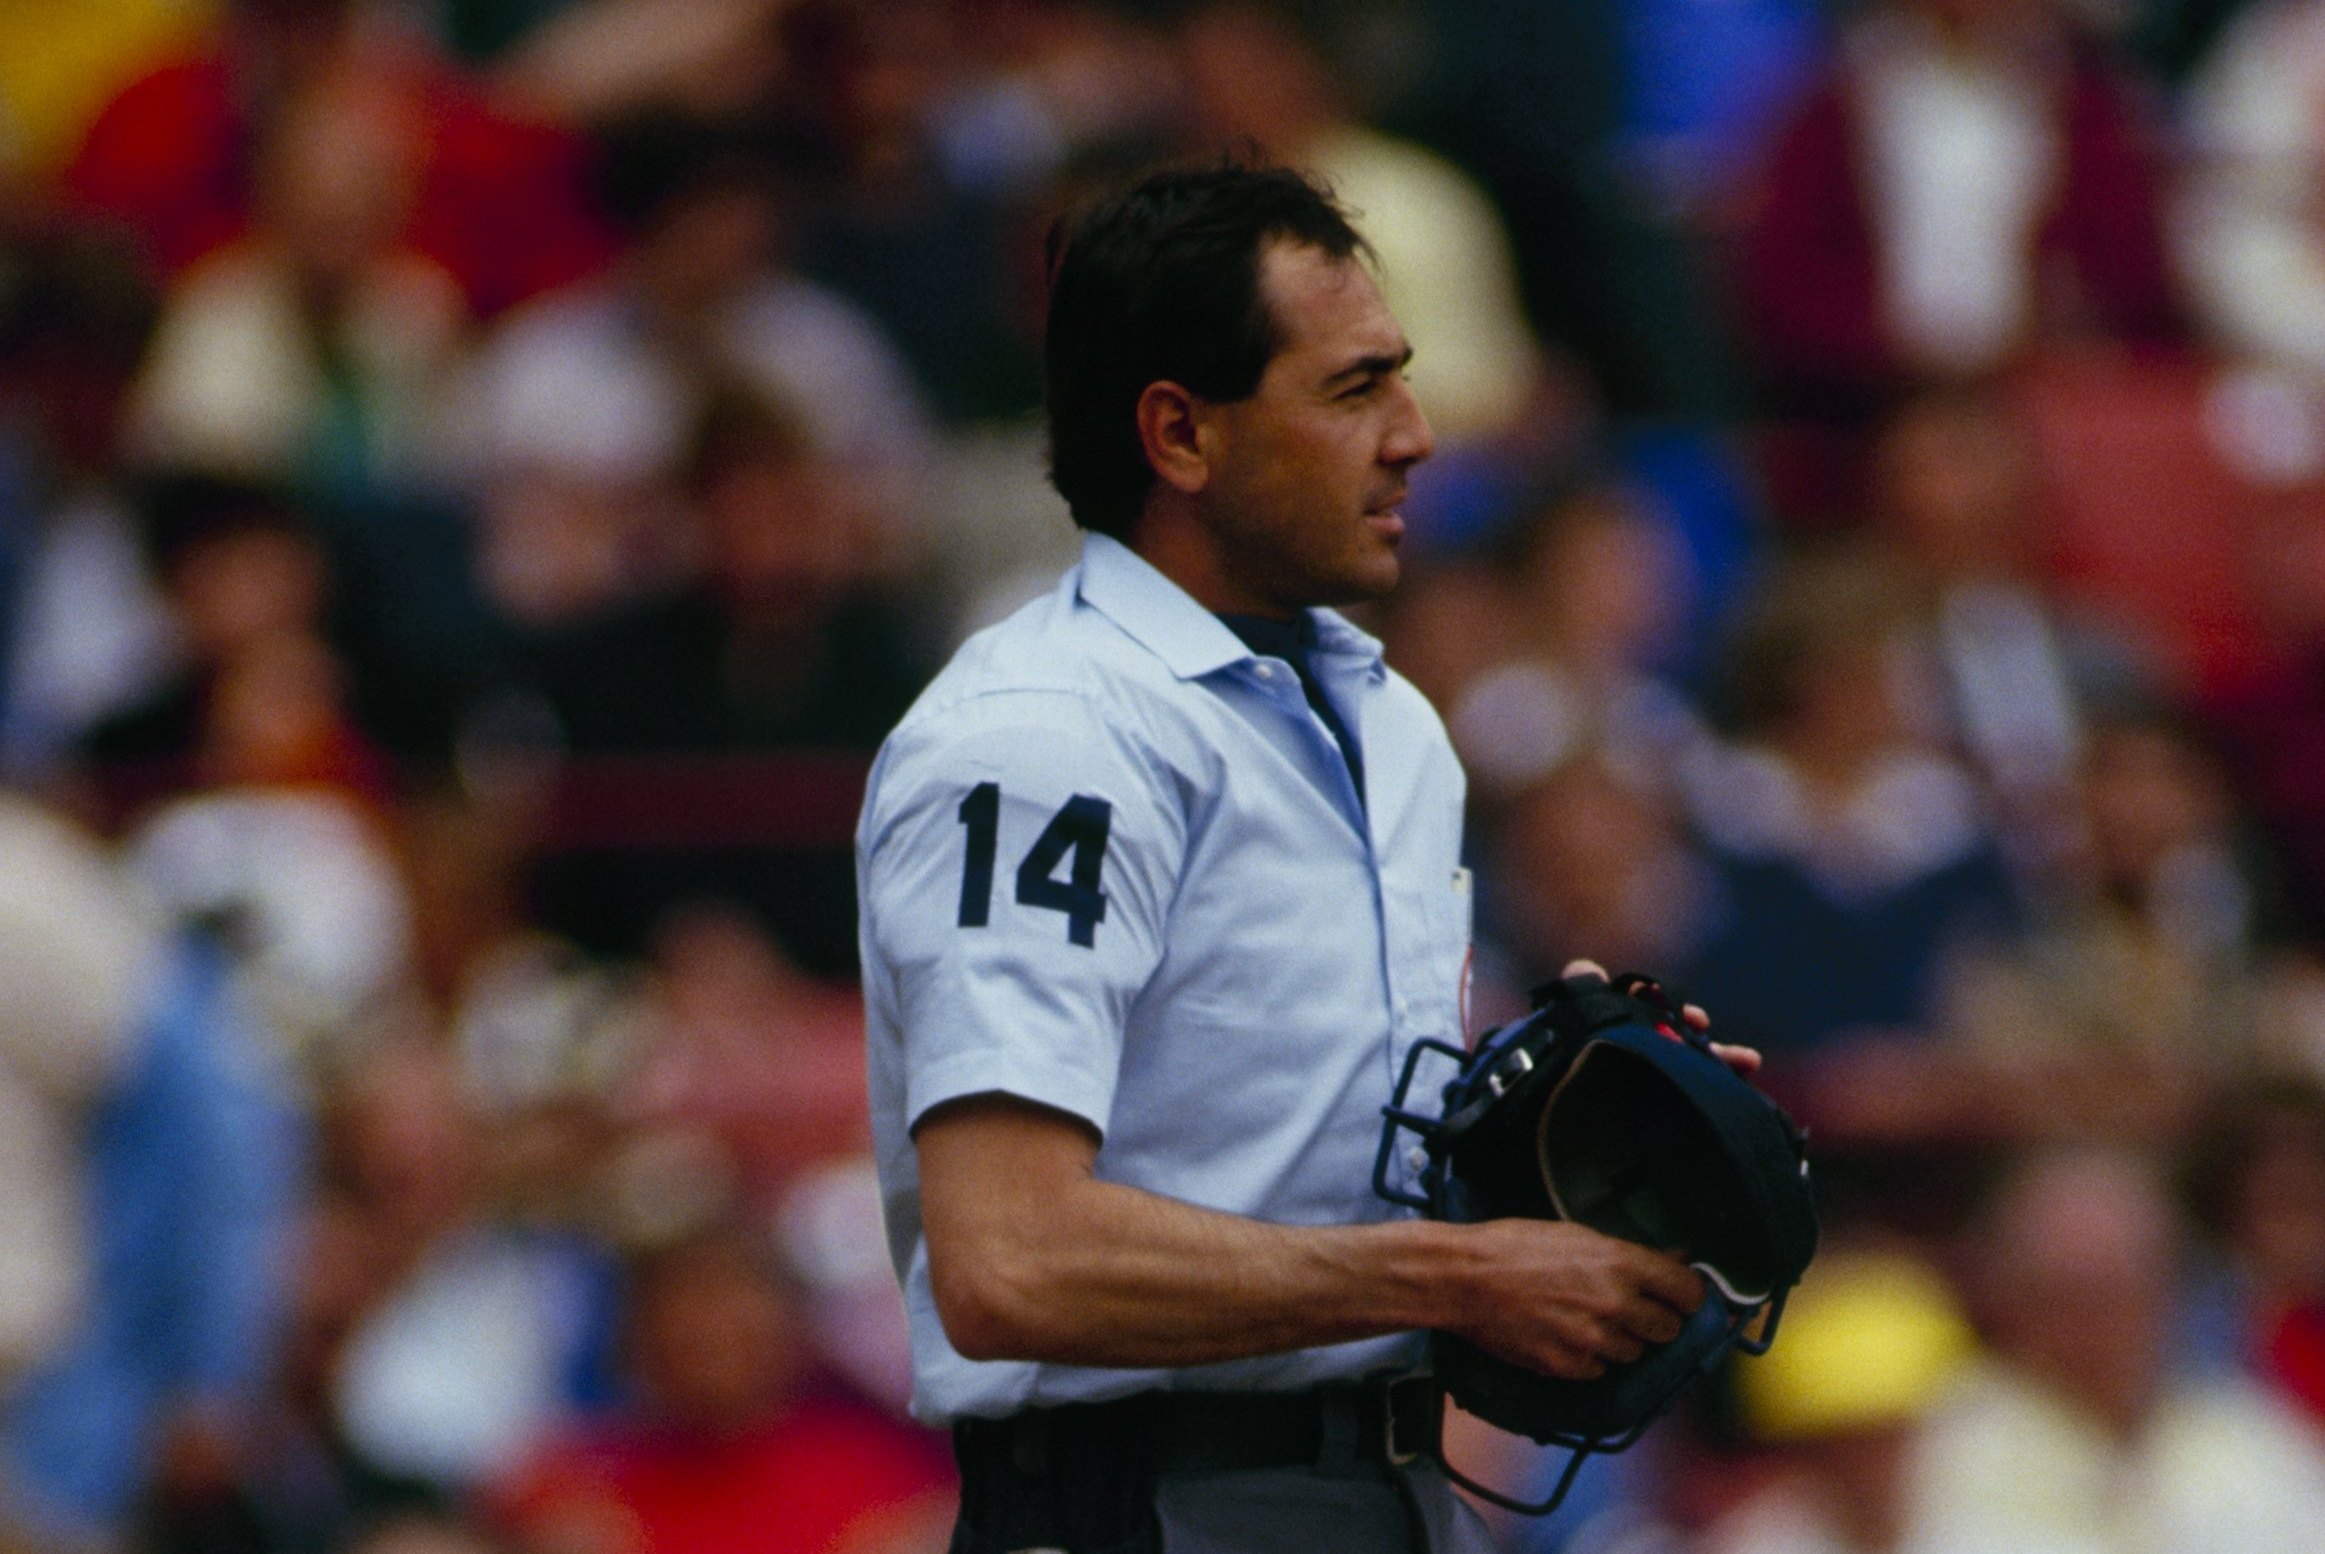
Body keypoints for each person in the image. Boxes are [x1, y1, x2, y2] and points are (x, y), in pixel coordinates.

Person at [855, 159, 1722, 1553]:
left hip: (1393, 1485)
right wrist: (1455, 1274)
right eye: (1351, 388)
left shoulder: (1392, 721)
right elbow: (1008, 1258)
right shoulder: (1046, 733)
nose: (1416, 435)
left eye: (1401, 379)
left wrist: (1581, 1150)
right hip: (1130, 1496)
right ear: (1180, 435)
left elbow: (1306, 1172)